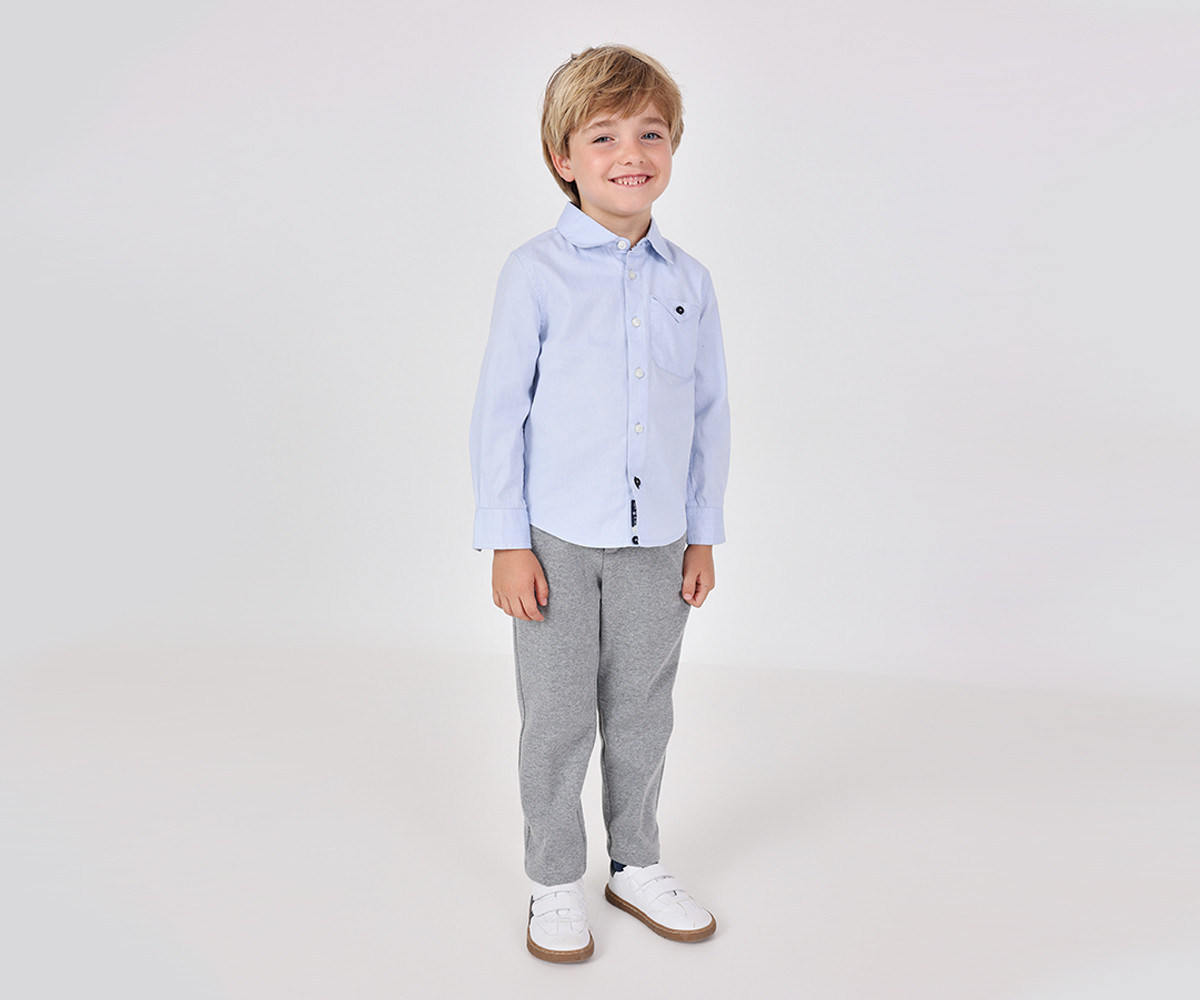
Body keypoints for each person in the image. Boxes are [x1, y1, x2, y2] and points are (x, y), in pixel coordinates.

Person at [469, 44, 731, 963]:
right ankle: (553, 878)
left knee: (643, 710)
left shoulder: (689, 281)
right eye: (604, 135)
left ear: (673, 148)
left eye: (651, 134)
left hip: (660, 542)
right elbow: (500, 412)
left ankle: (635, 863)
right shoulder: (534, 272)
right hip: (555, 542)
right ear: (564, 159)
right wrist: (507, 540)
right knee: (557, 716)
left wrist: (704, 532)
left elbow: (709, 416)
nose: (632, 153)